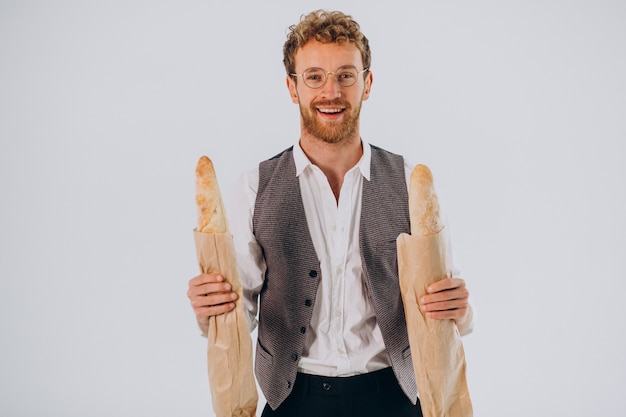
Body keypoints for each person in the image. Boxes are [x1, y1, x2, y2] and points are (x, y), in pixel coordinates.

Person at [187, 10, 473, 417]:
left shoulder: (411, 182)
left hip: (395, 397)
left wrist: (460, 305)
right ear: (293, 87)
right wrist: (209, 307)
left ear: (367, 83)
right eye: (314, 76)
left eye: (345, 75)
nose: (331, 92)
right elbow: (238, 311)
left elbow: (447, 295)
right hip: (293, 399)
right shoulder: (254, 188)